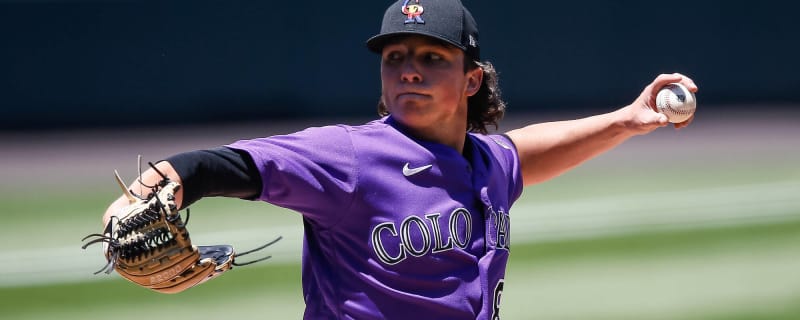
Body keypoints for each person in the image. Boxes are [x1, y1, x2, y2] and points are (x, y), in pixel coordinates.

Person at [101, 0, 697, 318]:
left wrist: (627, 119)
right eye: (395, 56)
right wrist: (161, 183)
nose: (408, 67)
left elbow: (527, 152)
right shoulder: (350, 156)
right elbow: (227, 165)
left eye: (431, 57)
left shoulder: (486, 163)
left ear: (471, 80)